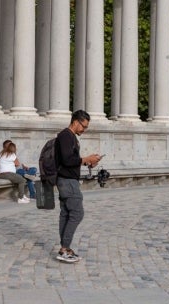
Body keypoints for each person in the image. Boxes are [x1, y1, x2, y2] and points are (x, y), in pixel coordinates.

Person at [55, 110, 102, 263]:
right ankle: (64, 249)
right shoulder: (66, 136)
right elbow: (68, 160)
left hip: (66, 180)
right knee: (77, 213)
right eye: (84, 126)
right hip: (68, 182)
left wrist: (88, 162)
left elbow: (71, 159)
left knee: (66, 214)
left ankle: (65, 248)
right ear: (76, 122)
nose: (84, 130)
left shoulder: (70, 137)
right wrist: (85, 159)